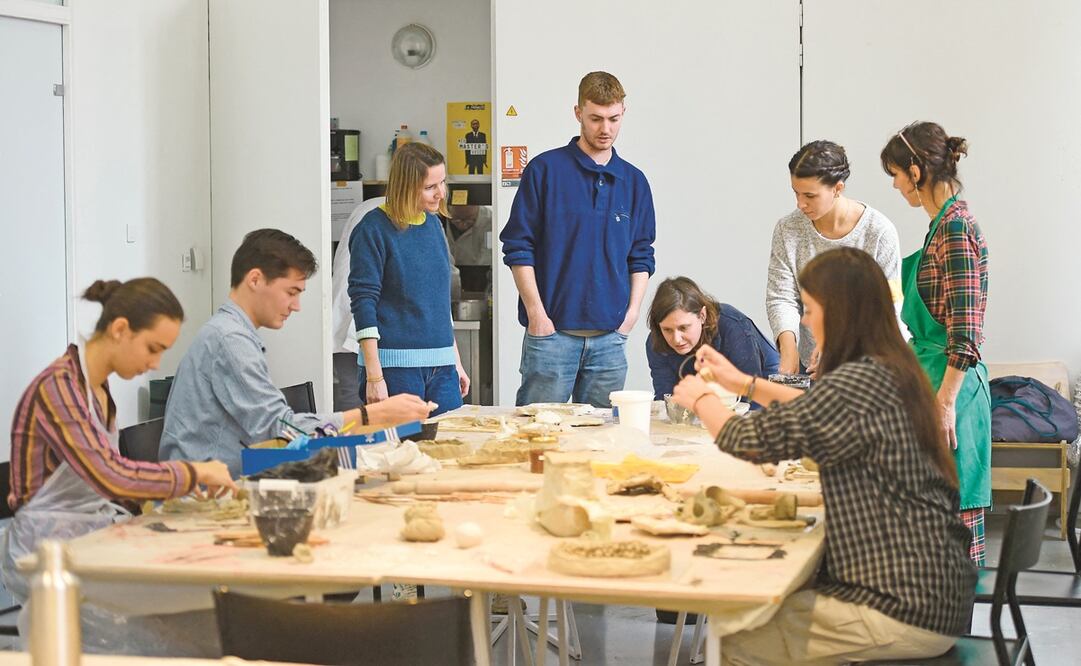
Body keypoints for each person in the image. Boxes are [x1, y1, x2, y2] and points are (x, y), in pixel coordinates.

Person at [674, 248, 975, 664]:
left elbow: (746, 437)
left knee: (736, 640)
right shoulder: (892, 367)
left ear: (841, 312)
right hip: (937, 592)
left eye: (810, 308)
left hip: (904, 608)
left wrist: (702, 397)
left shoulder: (858, 381)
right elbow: (813, 407)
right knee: (760, 614)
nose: (804, 319)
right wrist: (743, 383)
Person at [3, 278, 237, 652]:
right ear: (120, 329)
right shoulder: (58, 388)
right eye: (152, 349)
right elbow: (110, 475)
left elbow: (108, 476)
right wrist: (194, 472)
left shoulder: (96, 387)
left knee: (203, 615)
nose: (155, 363)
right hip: (45, 553)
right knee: (166, 641)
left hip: (88, 538)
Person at [161, 229, 431, 476]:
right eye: (291, 292)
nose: (296, 306)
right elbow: (281, 430)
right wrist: (370, 416)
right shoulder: (230, 340)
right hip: (206, 494)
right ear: (255, 279)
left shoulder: (233, 333)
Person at [500, 71, 656, 408]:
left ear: (623, 113)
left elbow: (641, 256)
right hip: (551, 335)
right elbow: (517, 247)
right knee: (537, 439)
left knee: (602, 442)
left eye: (614, 119)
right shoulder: (544, 171)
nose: (605, 129)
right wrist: (537, 315)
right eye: (595, 118)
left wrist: (630, 316)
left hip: (610, 340)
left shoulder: (634, 182)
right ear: (578, 114)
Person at [881, 121, 991, 565]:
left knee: (949, 527)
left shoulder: (955, 229)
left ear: (915, 171)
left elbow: (966, 331)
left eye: (894, 173)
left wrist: (945, 402)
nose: (894, 184)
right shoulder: (938, 226)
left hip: (954, 391)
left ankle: (950, 635)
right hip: (935, 381)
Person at [348, 143, 470, 415]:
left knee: (450, 448)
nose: (441, 193)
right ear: (405, 185)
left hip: (442, 368)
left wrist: (455, 361)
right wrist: (374, 376)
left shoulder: (434, 225)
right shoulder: (373, 229)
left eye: (443, 182)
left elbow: (439, 301)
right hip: (395, 369)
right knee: (401, 452)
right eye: (430, 187)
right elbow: (363, 302)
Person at [767, 140, 901, 374]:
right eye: (796, 193)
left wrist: (838, 345)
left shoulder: (878, 231)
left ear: (838, 189)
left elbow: (889, 305)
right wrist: (789, 350)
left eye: (810, 195)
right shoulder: (787, 229)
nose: (800, 204)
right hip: (810, 365)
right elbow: (782, 297)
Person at [646, 276, 778, 400]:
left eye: (683, 328)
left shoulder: (733, 327)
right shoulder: (655, 341)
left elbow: (750, 396)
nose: (676, 339)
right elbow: (666, 398)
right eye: (667, 330)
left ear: (702, 316)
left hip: (764, 380)